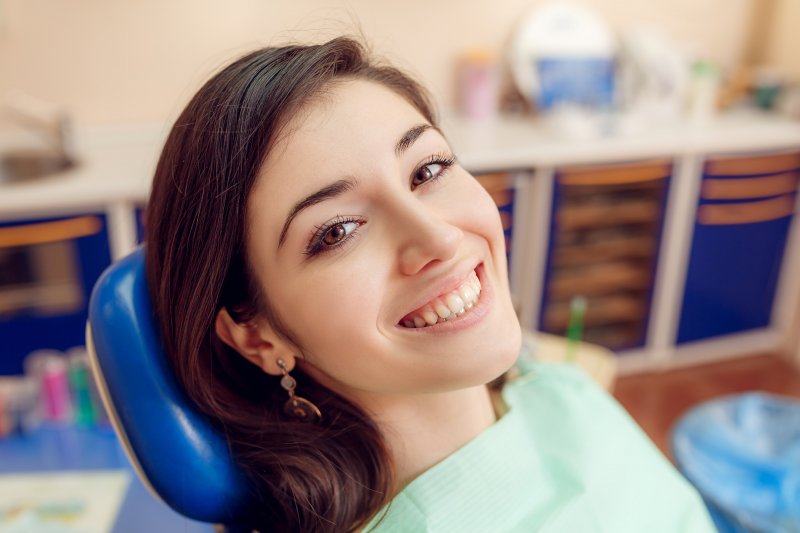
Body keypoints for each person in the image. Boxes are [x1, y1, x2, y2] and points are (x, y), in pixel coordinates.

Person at [145, 37, 716, 532]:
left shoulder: (554, 388)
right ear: (258, 337)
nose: (439, 239)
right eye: (338, 230)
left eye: (428, 170)